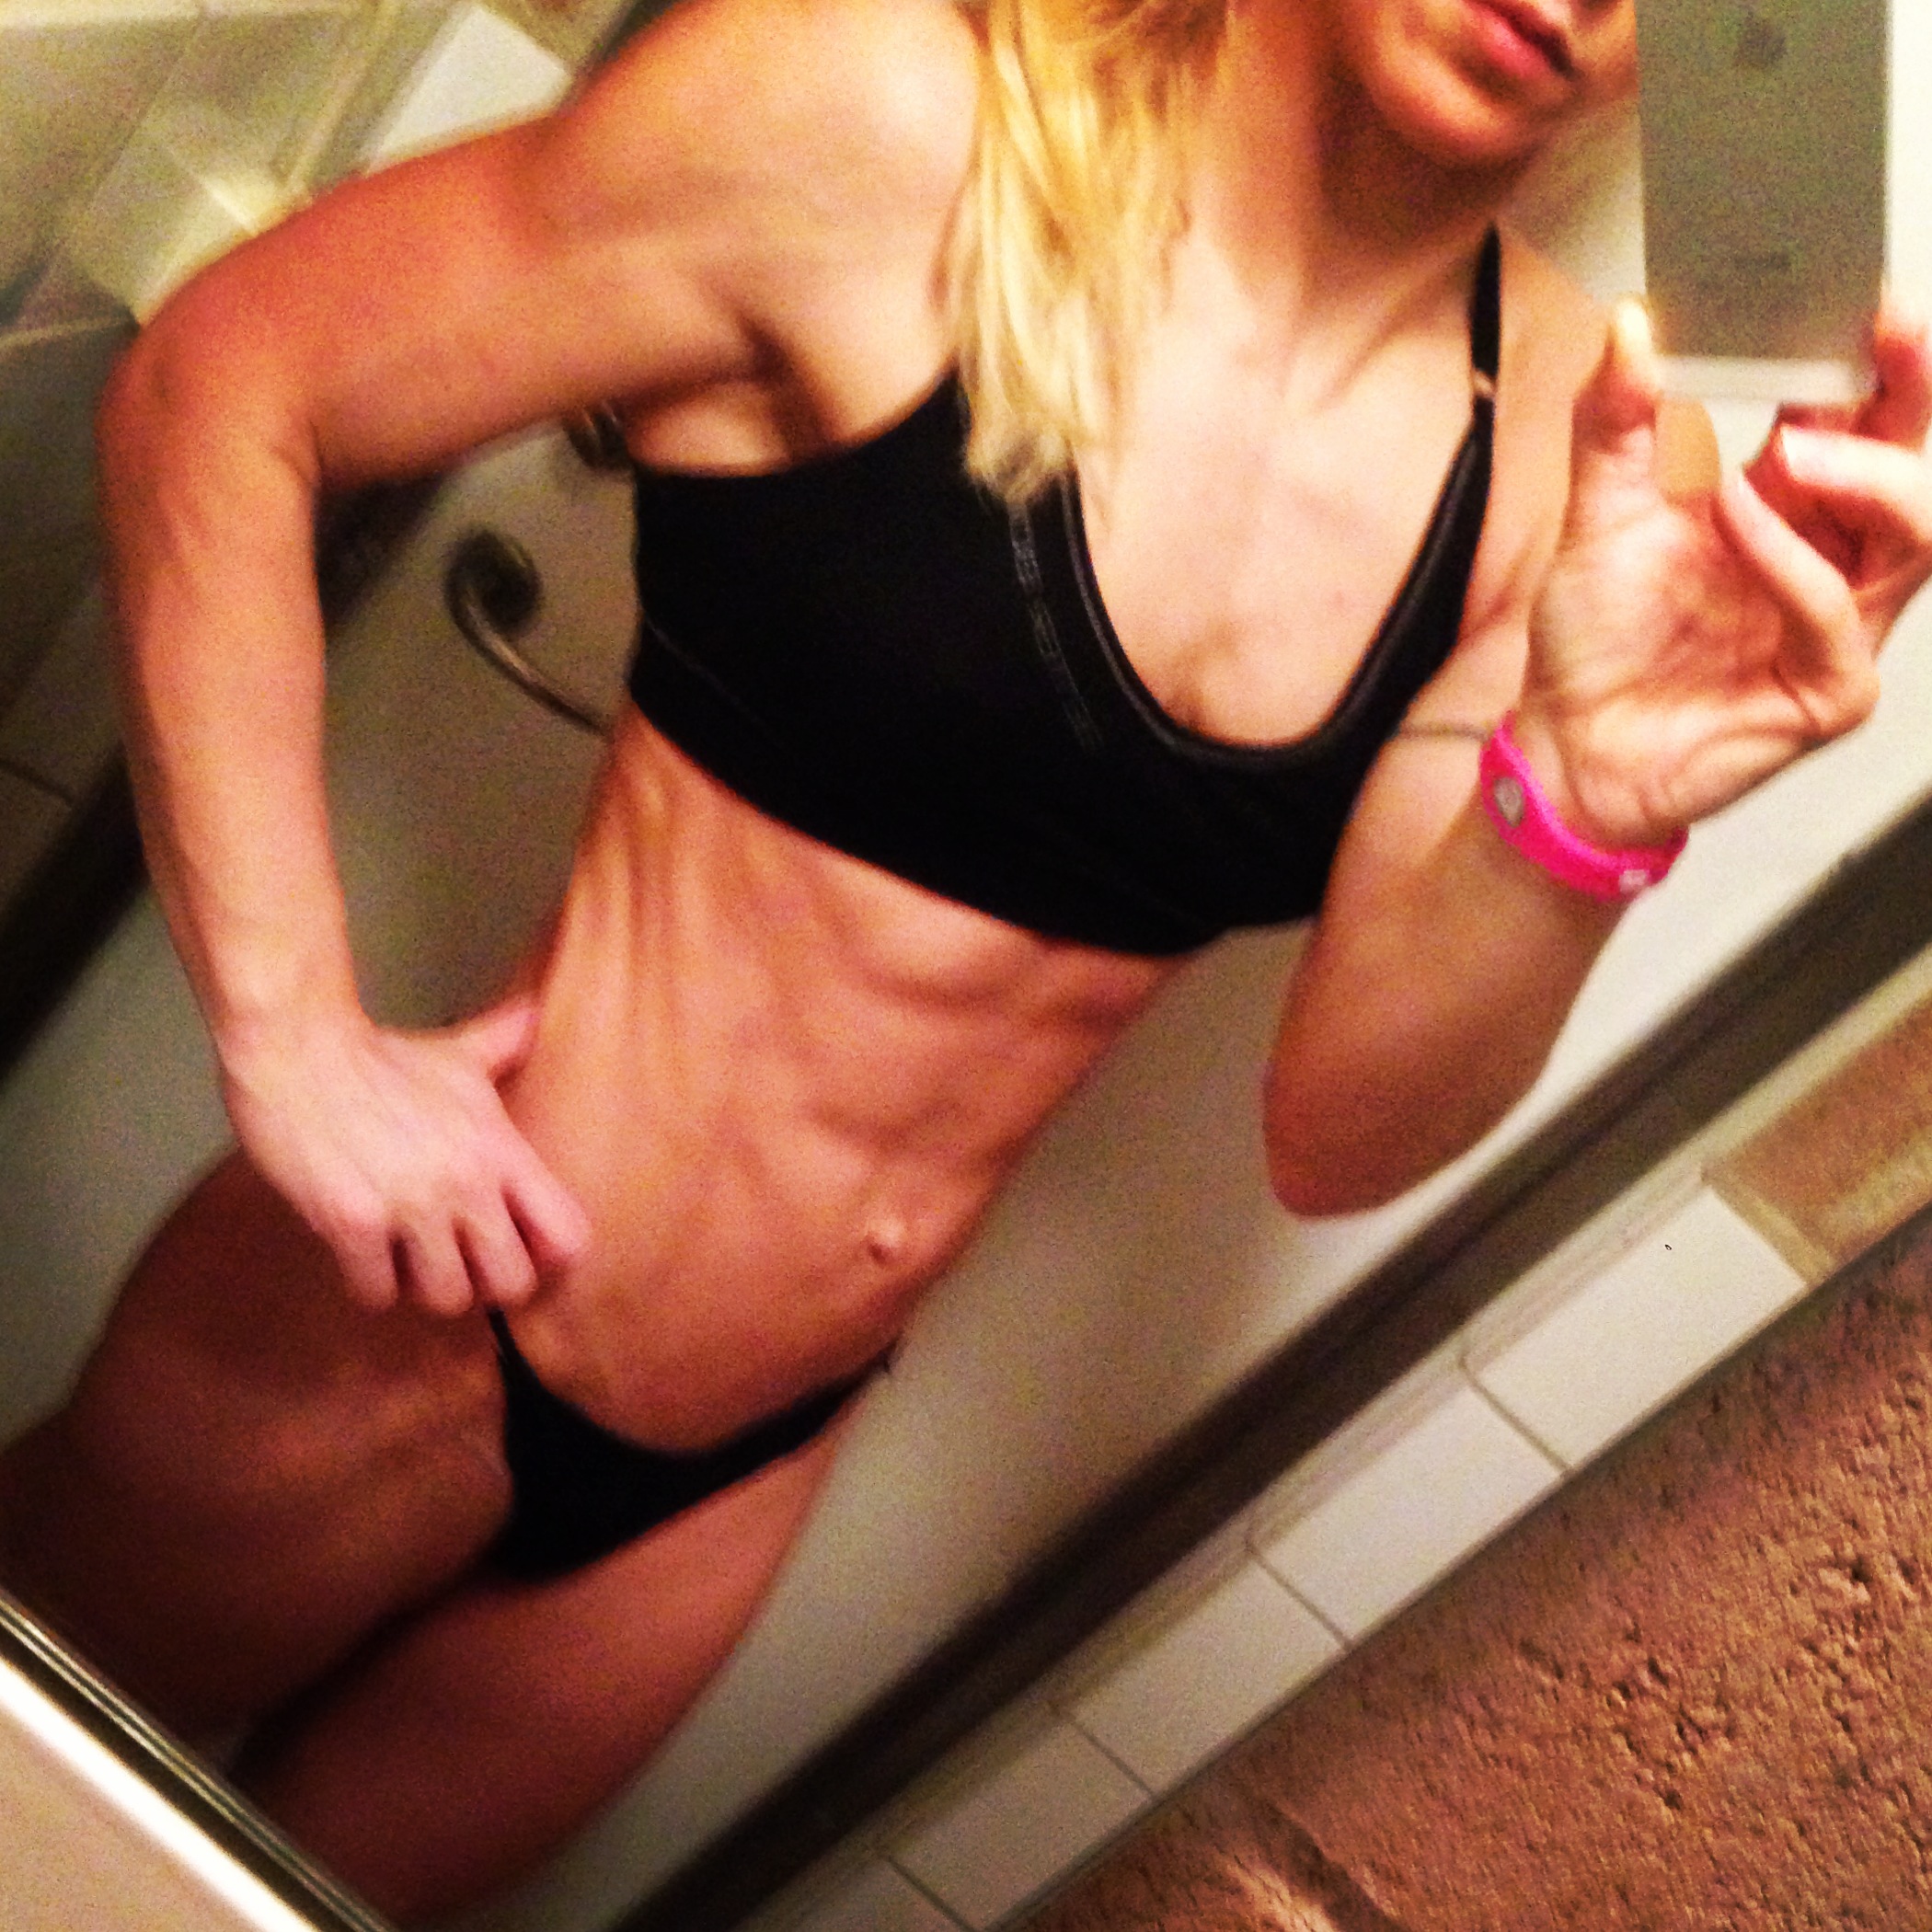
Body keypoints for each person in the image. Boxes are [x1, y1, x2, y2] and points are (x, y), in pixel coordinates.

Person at [4, 0, 1929, 1918]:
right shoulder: (883, 117)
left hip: (737, 1470)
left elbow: (1336, 1136)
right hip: (426, 1306)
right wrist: (291, 1032)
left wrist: (1583, 809)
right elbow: (226, 387)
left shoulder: (1574, 446)